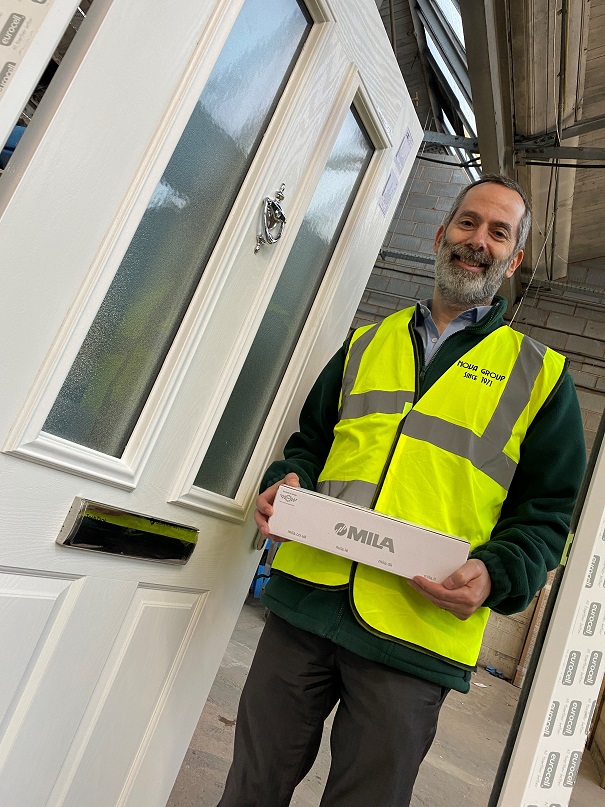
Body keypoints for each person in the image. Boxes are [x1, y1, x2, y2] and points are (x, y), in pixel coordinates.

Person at [217, 174, 586, 807]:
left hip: (415, 632)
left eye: (499, 232)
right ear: (442, 234)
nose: (478, 241)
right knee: (250, 789)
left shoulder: (542, 378)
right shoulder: (367, 342)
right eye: (468, 223)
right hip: (306, 604)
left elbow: (548, 514)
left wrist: (498, 574)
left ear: (514, 260)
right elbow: (313, 443)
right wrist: (291, 484)